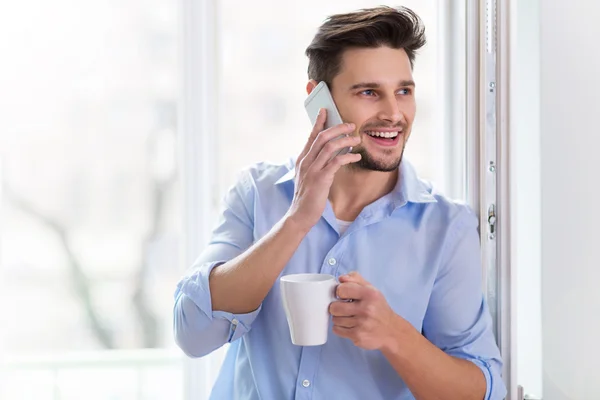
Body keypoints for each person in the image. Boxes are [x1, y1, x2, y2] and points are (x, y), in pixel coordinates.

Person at [173, 5, 506, 400]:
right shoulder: (258, 194)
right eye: (369, 92)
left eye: (404, 91)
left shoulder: (445, 227)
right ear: (319, 101)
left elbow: (481, 389)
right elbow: (194, 333)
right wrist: (297, 220)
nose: (394, 113)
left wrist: (394, 334)